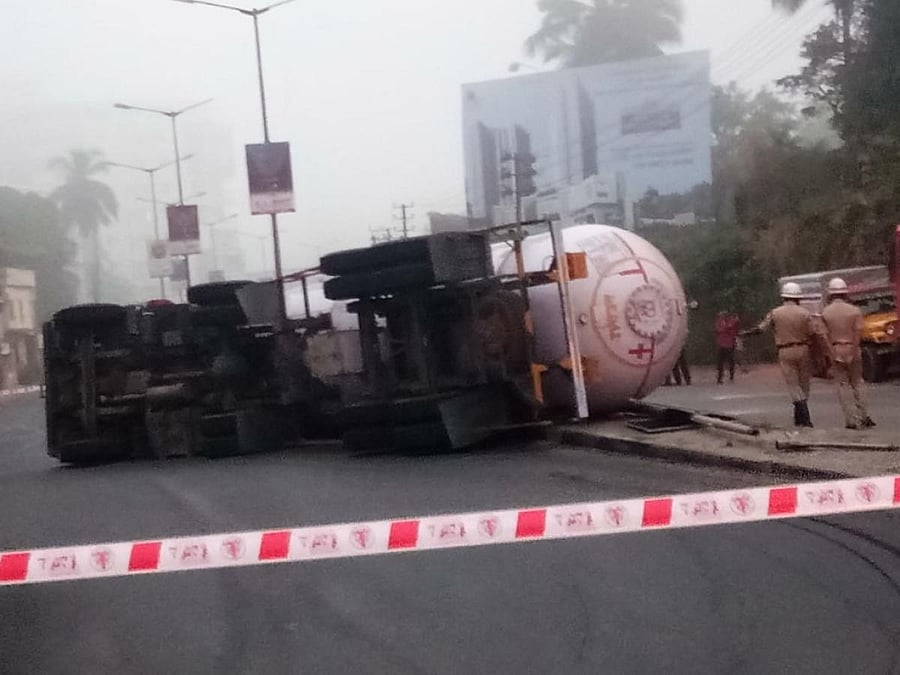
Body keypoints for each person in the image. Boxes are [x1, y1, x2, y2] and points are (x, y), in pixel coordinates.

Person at [744, 282, 820, 427]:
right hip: (804, 349)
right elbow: (813, 333)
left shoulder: (775, 313)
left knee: (793, 384)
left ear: (783, 297)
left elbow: (761, 329)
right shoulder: (804, 313)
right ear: (798, 298)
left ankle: (803, 418)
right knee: (804, 385)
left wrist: (746, 333)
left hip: (785, 351)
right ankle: (801, 418)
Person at [821, 277, 876, 430]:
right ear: (845, 293)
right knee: (858, 382)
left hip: (836, 347)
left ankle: (851, 420)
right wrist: (853, 351)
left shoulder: (826, 313)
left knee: (842, 385)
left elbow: (824, 336)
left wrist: (831, 354)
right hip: (852, 347)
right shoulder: (855, 311)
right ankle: (864, 416)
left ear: (831, 294)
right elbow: (858, 332)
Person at [714, 310, 741, 384]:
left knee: (730, 361)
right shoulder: (720, 322)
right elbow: (718, 329)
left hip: (729, 344)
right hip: (722, 344)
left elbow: (735, 327)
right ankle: (720, 378)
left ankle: (731, 376)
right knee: (720, 362)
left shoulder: (731, 321)